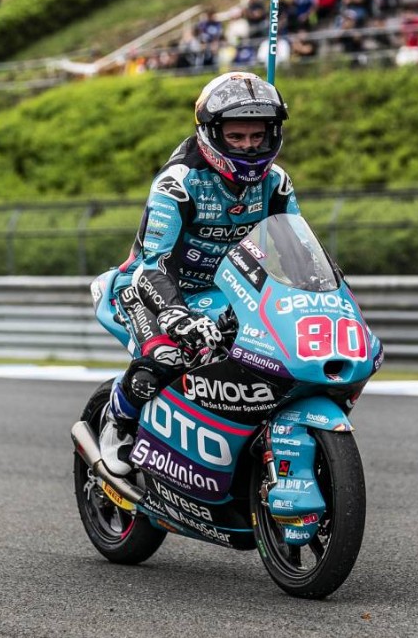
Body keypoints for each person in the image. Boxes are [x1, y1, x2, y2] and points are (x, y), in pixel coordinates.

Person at [95, 71, 300, 475]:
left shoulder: (276, 183)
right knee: (170, 355)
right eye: (237, 137)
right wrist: (174, 313)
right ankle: (118, 420)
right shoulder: (179, 182)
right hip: (154, 288)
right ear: (212, 133)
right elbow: (152, 264)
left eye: (257, 136)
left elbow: (295, 250)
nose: (248, 146)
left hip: (226, 291)